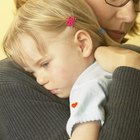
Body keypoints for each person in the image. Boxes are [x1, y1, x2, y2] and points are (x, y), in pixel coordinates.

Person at [0, 0, 140, 140]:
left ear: (83, 44)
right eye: (32, 73)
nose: (130, 16)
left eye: (45, 64)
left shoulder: (86, 86)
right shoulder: (12, 83)